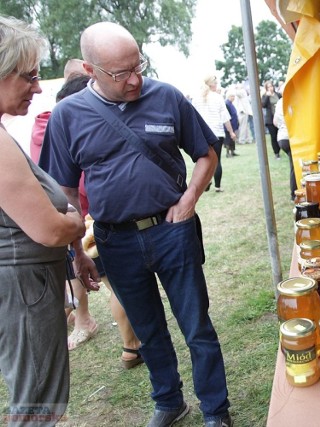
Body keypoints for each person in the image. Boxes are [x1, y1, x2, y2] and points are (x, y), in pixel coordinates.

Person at [39, 22, 233, 426]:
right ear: (91, 71)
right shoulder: (67, 116)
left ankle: (216, 410)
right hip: (116, 241)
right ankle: (168, 402)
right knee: (148, 330)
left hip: (172, 232)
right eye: (121, 73)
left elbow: (206, 152)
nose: (135, 79)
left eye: (138, 65)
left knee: (196, 326)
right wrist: (78, 253)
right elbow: (65, 194)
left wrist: (189, 199)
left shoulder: (166, 97)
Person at [0, 15, 86, 425]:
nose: (37, 87)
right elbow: (50, 229)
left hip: (24, 287)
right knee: (36, 407)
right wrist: (73, 222)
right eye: (29, 76)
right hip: (23, 290)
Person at [32, 73, 143, 367]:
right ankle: (131, 346)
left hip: (80, 227)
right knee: (119, 287)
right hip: (92, 225)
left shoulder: (52, 131)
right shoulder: (78, 133)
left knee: (114, 285)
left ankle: (132, 344)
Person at [192, 75, 236, 193]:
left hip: (202, 134)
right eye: (216, 83)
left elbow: (193, 118)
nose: (217, 85)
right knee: (217, 161)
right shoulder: (218, 98)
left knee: (203, 161)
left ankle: (206, 182)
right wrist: (231, 132)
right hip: (217, 133)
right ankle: (217, 186)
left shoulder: (196, 98)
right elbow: (225, 117)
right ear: (211, 84)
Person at [273, 96, 297, 200]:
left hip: (281, 137)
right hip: (290, 137)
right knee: (295, 167)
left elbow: (275, 122)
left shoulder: (279, 102)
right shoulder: (294, 99)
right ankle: (294, 194)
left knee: (293, 166)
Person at [261, 80, 281, 160]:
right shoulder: (265, 96)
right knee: (273, 137)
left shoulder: (278, 95)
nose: (270, 88)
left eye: (271, 86)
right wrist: (267, 96)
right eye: (268, 87)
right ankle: (276, 153)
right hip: (271, 119)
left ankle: (281, 149)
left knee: (280, 135)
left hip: (279, 118)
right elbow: (263, 105)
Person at [224, 90, 239, 158]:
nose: (233, 97)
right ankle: (228, 153)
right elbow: (227, 116)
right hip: (229, 124)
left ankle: (232, 151)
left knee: (232, 139)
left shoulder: (231, 103)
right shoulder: (226, 104)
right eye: (232, 96)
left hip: (233, 124)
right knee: (228, 139)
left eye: (234, 96)